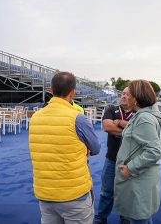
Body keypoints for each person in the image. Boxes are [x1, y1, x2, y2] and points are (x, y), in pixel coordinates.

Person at [29, 71, 100, 224]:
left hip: (45, 192)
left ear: (51, 91)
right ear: (73, 92)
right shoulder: (78, 118)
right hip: (74, 195)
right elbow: (96, 148)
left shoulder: (35, 118)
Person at [114, 80, 161, 224]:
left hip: (138, 181)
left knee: (140, 219)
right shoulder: (141, 115)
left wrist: (130, 168)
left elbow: (154, 151)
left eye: (129, 94)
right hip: (139, 181)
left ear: (135, 99)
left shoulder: (144, 118)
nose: (126, 97)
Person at [94, 87, 134, 224]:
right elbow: (107, 127)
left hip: (130, 161)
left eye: (127, 94)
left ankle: (125, 217)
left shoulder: (138, 112)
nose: (123, 96)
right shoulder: (111, 109)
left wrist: (121, 123)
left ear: (134, 98)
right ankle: (100, 218)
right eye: (122, 93)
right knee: (106, 192)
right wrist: (130, 131)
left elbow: (141, 130)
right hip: (111, 158)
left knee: (127, 192)